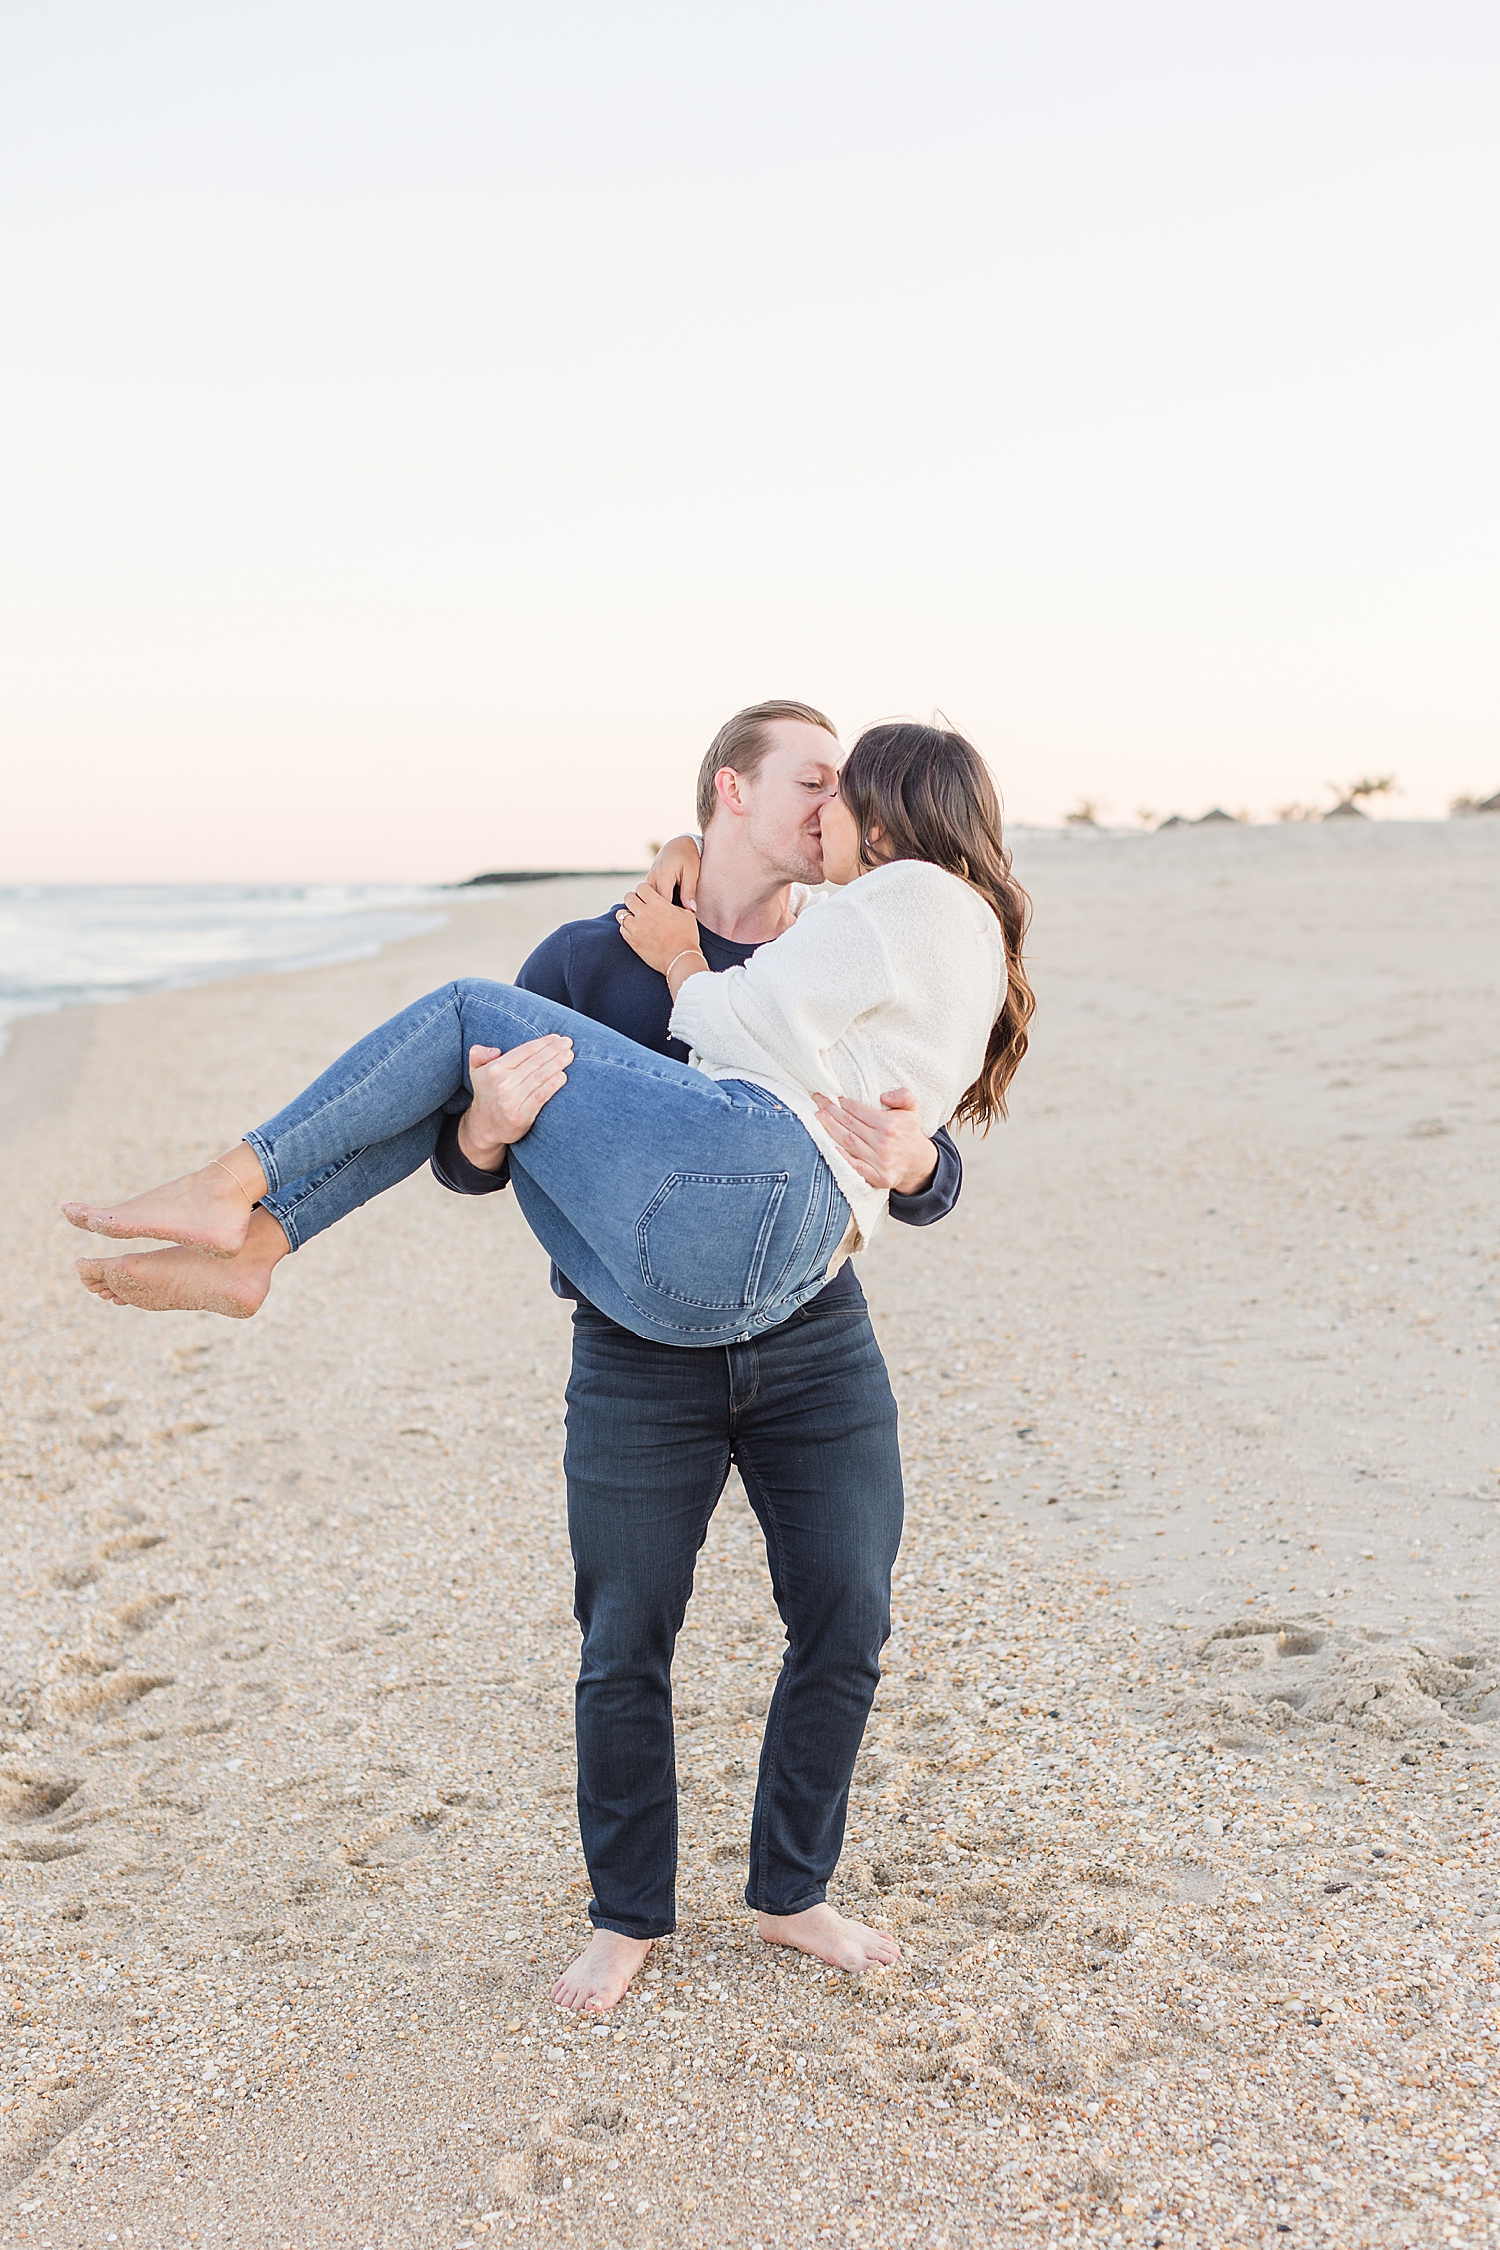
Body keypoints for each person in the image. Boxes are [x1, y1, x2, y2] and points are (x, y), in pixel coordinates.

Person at [64, 717, 1035, 2004]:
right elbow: (467, 1157)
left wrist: (919, 1166)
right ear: (729, 794)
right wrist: (488, 1121)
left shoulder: (850, 930)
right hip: (635, 1348)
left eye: (846, 788)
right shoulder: (584, 960)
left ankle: (792, 1893)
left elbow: (929, 1144)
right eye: (813, 781)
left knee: (848, 1616)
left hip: (810, 1334)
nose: (831, 806)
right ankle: (627, 1915)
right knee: (624, 1637)